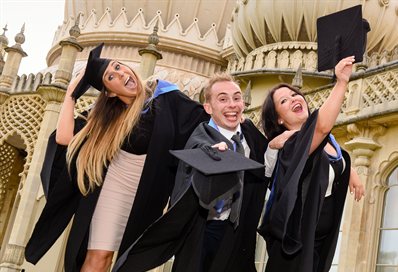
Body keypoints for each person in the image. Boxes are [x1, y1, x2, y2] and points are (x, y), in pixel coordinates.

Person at [24, 43, 209, 272]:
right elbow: (64, 138)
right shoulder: (106, 118)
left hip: (147, 194)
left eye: (119, 67)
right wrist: (71, 95)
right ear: (109, 91)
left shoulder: (165, 95)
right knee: (99, 256)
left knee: (128, 263)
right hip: (113, 190)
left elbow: (200, 119)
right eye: (112, 76)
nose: (122, 74)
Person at [112, 73, 279, 272]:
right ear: (208, 107)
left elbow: (263, 174)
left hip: (236, 232)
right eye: (223, 99)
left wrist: (273, 148)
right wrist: (211, 160)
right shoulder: (200, 139)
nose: (232, 104)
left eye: (237, 98)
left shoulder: (251, 135)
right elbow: (191, 186)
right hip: (202, 229)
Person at [258, 56, 365, 272]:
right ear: (278, 119)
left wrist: (349, 169)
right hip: (295, 245)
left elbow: (331, 154)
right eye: (284, 101)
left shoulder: (329, 143)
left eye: (294, 94)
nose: (294, 98)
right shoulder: (292, 144)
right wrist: (342, 82)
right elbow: (321, 128)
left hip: (319, 241)